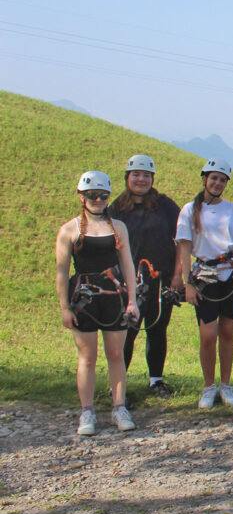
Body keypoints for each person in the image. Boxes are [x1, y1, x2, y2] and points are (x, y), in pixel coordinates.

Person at [55, 172, 141, 435]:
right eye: (93, 195)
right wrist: (64, 308)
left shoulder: (118, 227)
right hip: (84, 299)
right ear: (82, 197)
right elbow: (61, 271)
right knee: (87, 357)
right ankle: (87, 412)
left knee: (116, 355)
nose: (98, 200)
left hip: (113, 297)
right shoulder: (69, 230)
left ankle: (119, 407)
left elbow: (127, 264)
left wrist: (132, 301)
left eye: (103, 196)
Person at [176, 159, 233, 409]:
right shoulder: (189, 210)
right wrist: (187, 283)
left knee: (228, 332)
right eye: (214, 178)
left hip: (231, 275)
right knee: (208, 335)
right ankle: (209, 386)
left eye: (222, 179)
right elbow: (185, 246)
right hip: (204, 276)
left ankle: (226, 385)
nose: (217, 183)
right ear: (204, 179)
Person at [107, 154, 181, 399]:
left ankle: (156, 381)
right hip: (130, 282)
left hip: (161, 278)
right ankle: (119, 385)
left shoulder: (165, 206)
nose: (141, 180)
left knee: (158, 330)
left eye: (146, 175)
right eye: (136, 175)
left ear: (152, 178)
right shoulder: (116, 209)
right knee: (127, 332)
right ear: (127, 177)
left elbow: (182, 240)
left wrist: (177, 277)